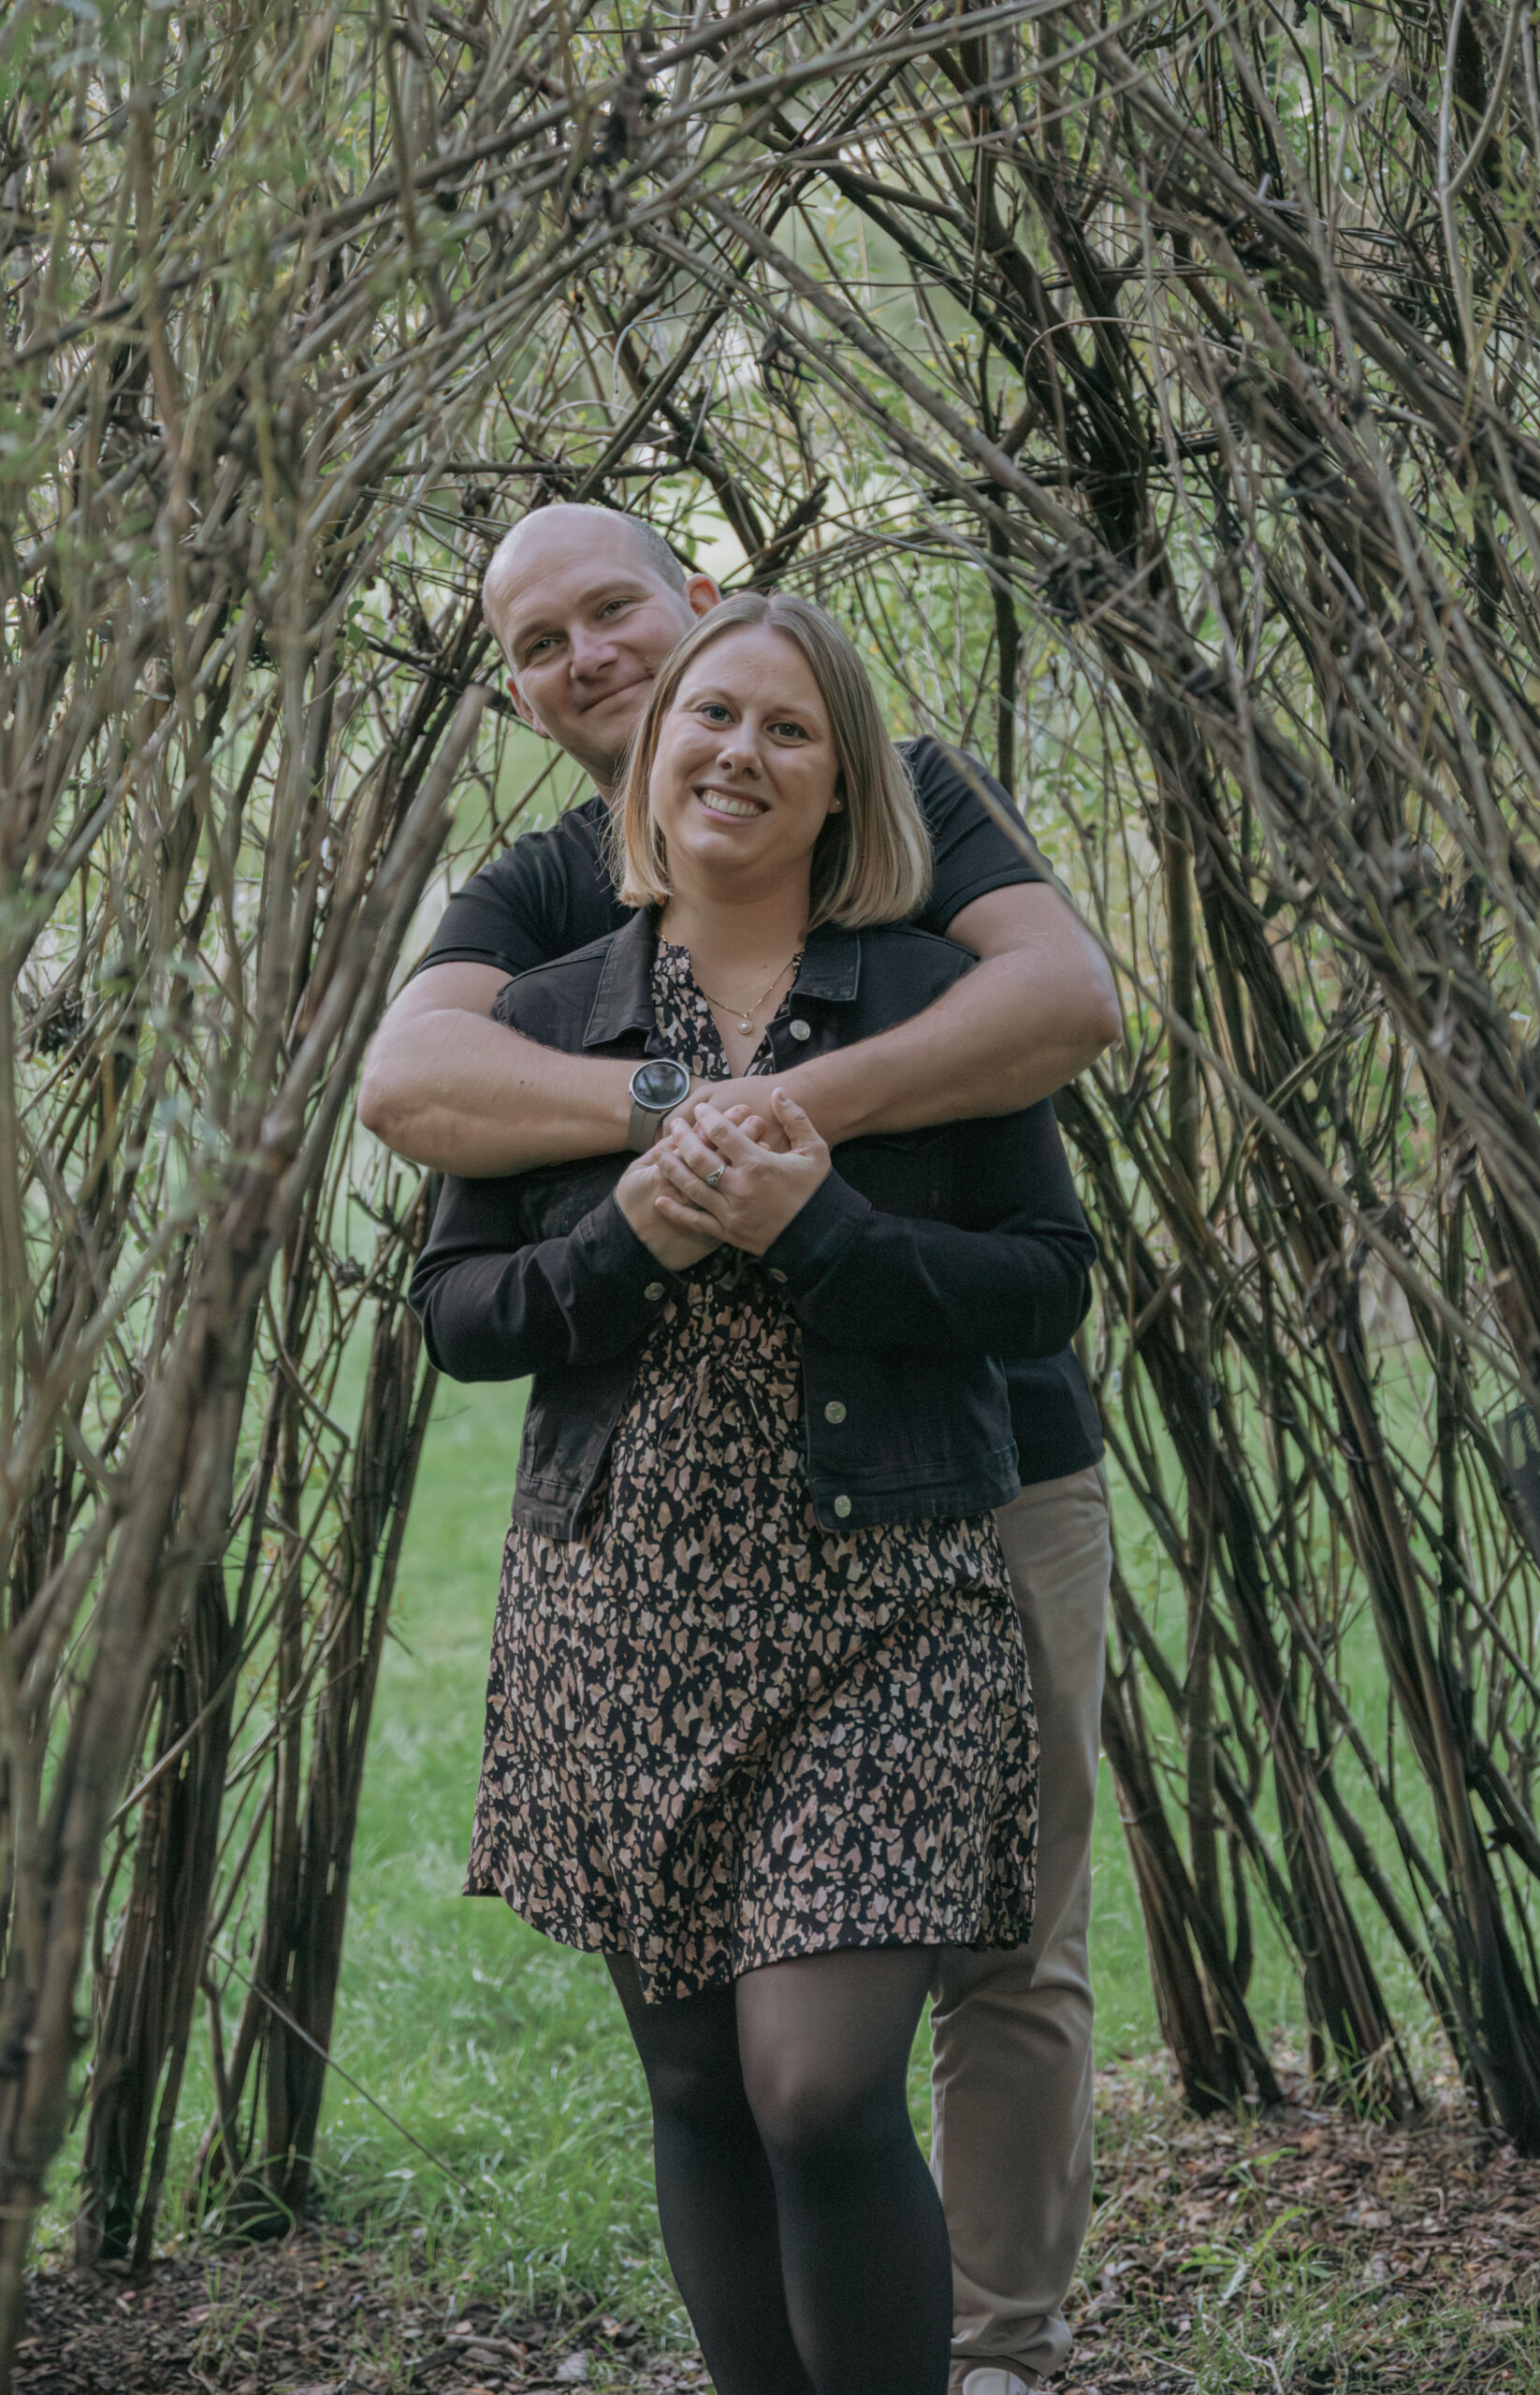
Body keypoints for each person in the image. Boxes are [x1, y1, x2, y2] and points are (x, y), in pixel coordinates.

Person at [361, 506, 1119, 2394]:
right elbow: (415, 1117)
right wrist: (654, 1165)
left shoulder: (913, 833)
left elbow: (1064, 1021)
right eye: (538, 644)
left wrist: (798, 1171)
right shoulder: (545, 916)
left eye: (613, 609)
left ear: (694, 599)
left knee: (917, 2003)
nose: (592, 664)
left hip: (942, 1508)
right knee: (704, 2066)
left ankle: (990, 2346)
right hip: (642, 1584)